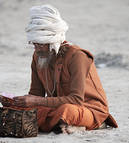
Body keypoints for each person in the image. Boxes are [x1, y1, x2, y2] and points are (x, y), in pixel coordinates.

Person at [1, 4, 118, 134]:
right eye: (34, 44)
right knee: (20, 109)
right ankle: (61, 125)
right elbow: (36, 94)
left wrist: (35, 101)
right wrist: (18, 101)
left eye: (40, 44)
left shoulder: (77, 56)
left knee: (66, 111)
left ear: (53, 41)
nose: (36, 48)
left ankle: (93, 124)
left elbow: (76, 100)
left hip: (87, 109)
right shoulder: (37, 56)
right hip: (55, 107)